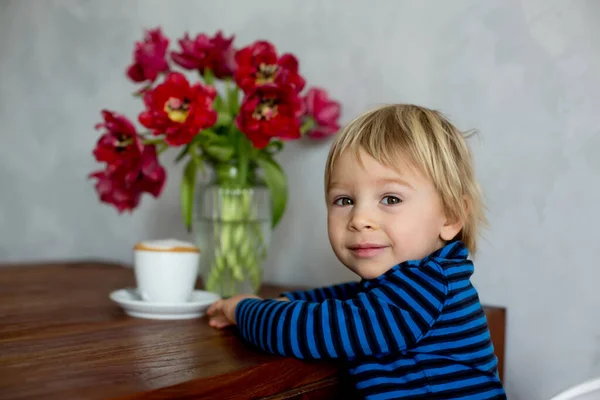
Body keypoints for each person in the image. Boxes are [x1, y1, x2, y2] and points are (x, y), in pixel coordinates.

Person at [207, 104, 507, 399]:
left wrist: (242, 310)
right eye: (344, 200)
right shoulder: (422, 283)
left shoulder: (426, 289)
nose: (360, 219)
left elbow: (312, 329)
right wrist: (294, 299)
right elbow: (354, 299)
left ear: (452, 216)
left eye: (390, 199)